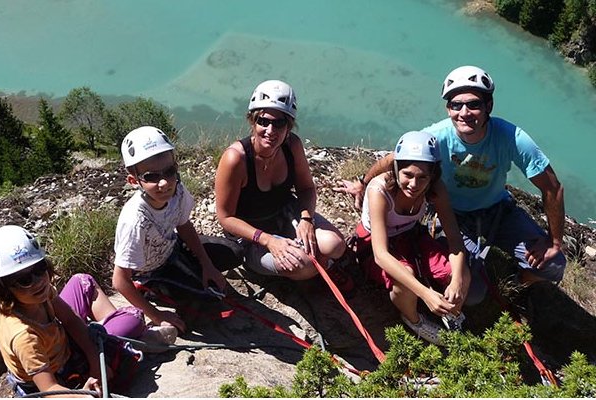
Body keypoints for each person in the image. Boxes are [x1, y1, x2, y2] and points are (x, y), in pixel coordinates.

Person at [338, 65, 566, 305]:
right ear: (448, 108)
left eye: (473, 104)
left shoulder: (512, 138)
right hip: (453, 214)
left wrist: (554, 241)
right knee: (472, 294)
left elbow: (552, 187)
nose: (464, 112)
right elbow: (394, 159)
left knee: (554, 264)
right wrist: (363, 184)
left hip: (498, 210)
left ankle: (517, 282)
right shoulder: (437, 136)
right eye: (456, 105)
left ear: (488, 106)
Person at [215, 79, 354, 292]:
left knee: (335, 245)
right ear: (253, 121)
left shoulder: (292, 145)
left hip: (285, 214)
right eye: (263, 121)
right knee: (304, 265)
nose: (270, 130)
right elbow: (225, 218)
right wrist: (268, 240)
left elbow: (306, 188)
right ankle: (320, 268)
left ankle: (321, 265)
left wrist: (306, 219)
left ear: (288, 126)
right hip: (252, 237)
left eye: (279, 123)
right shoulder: (236, 159)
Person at [0, 225, 146, 397]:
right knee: (134, 319)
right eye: (24, 280)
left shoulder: (38, 294)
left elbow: (70, 319)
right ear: (3, 288)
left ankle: (100, 331)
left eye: (39, 269)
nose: (37, 281)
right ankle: (105, 330)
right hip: (52, 376)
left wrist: (95, 360)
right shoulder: (24, 337)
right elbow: (50, 389)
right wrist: (83, 395)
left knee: (82, 281)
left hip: (60, 347)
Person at [113, 126, 236, 337]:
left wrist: (207, 265)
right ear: (134, 181)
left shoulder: (177, 190)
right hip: (151, 272)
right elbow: (119, 280)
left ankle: (190, 276)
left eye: (169, 172)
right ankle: (153, 292)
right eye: (151, 176)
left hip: (174, 248)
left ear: (176, 167)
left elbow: (183, 225)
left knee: (234, 253)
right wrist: (156, 315)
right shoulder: (135, 221)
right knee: (207, 302)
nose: (164, 183)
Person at [357, 131, 469, 345]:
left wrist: (456, 280)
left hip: (410, 235)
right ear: (396, 169)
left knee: (462, 272)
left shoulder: (436, 188)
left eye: (422, 177)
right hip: (377, 243)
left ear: (432, 176)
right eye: (407, 175)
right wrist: (425, 294)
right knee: (405, 278)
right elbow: (380, 254)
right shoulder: (379, 190)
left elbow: (454, 239)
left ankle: (450, 309)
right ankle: (413, 318)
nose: (414, 184)